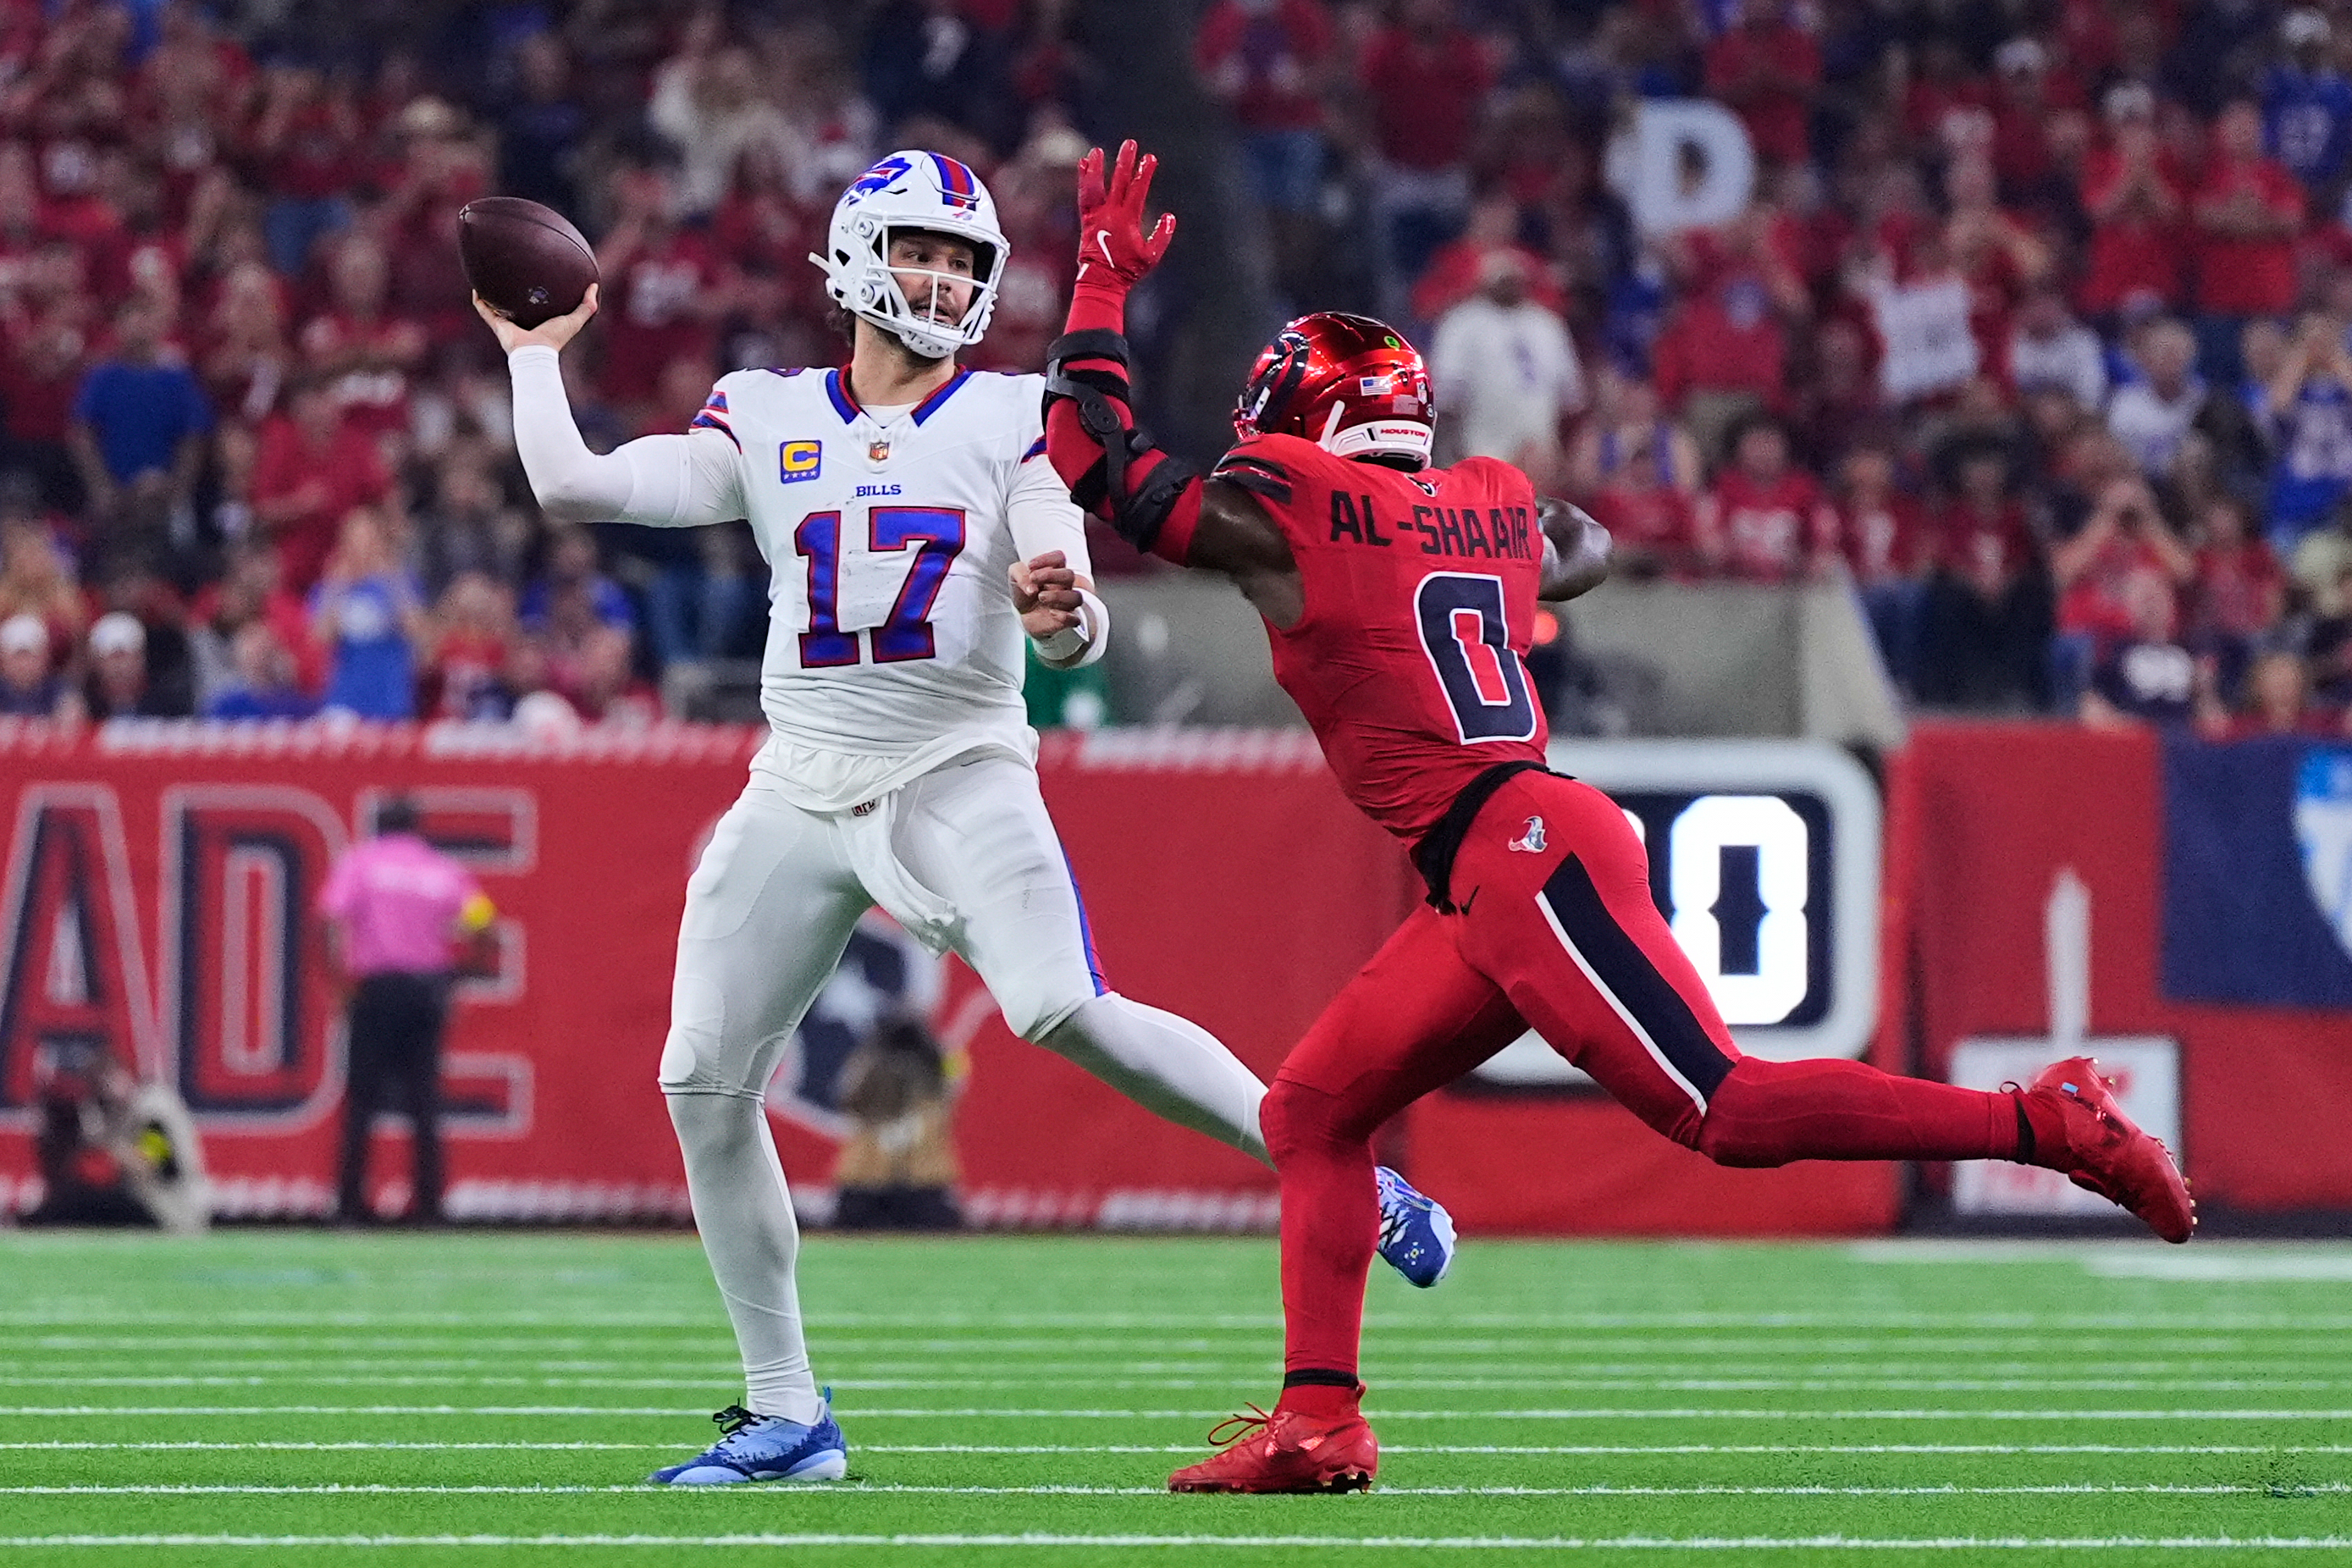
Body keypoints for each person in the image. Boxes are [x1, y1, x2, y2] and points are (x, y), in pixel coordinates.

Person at [1037, 141, 2195, 1496]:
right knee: (1309, 1113)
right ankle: (1318, 1422)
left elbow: (1090, 457)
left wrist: (1103, 282)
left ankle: (2044, 1122)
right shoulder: (1487, 502)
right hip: (1485, 866)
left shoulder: (1302, 506)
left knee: (1729, 1109)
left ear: (1307, 427)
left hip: (1520, 849)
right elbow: (1575, 542)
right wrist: (1492, 571)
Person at [478, 146, 1455, 1489]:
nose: (940, 278)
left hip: (956, 766)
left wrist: (1070, 614)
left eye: (962, 260)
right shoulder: (761, 411)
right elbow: (579, 488)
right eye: (921, 252)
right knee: (699, 1082)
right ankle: (787, 1415)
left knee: (1058, 1004)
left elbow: (1065, 587)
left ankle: (1339, 1165)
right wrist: (535, 356)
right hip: (798, 780)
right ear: (853, 260)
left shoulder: (1007, 415)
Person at [317, 797, 495, 1224]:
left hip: (375, 992)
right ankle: (430, 1206)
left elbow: (326, 920)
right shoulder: (442, 869)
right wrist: (457, 976)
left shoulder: (360, 865)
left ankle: (349, 1206)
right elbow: (486, 926)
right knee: (425, 1100)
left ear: (379, 827)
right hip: (425, 992)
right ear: (418, 829)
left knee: (362, 1100)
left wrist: (340, 985)